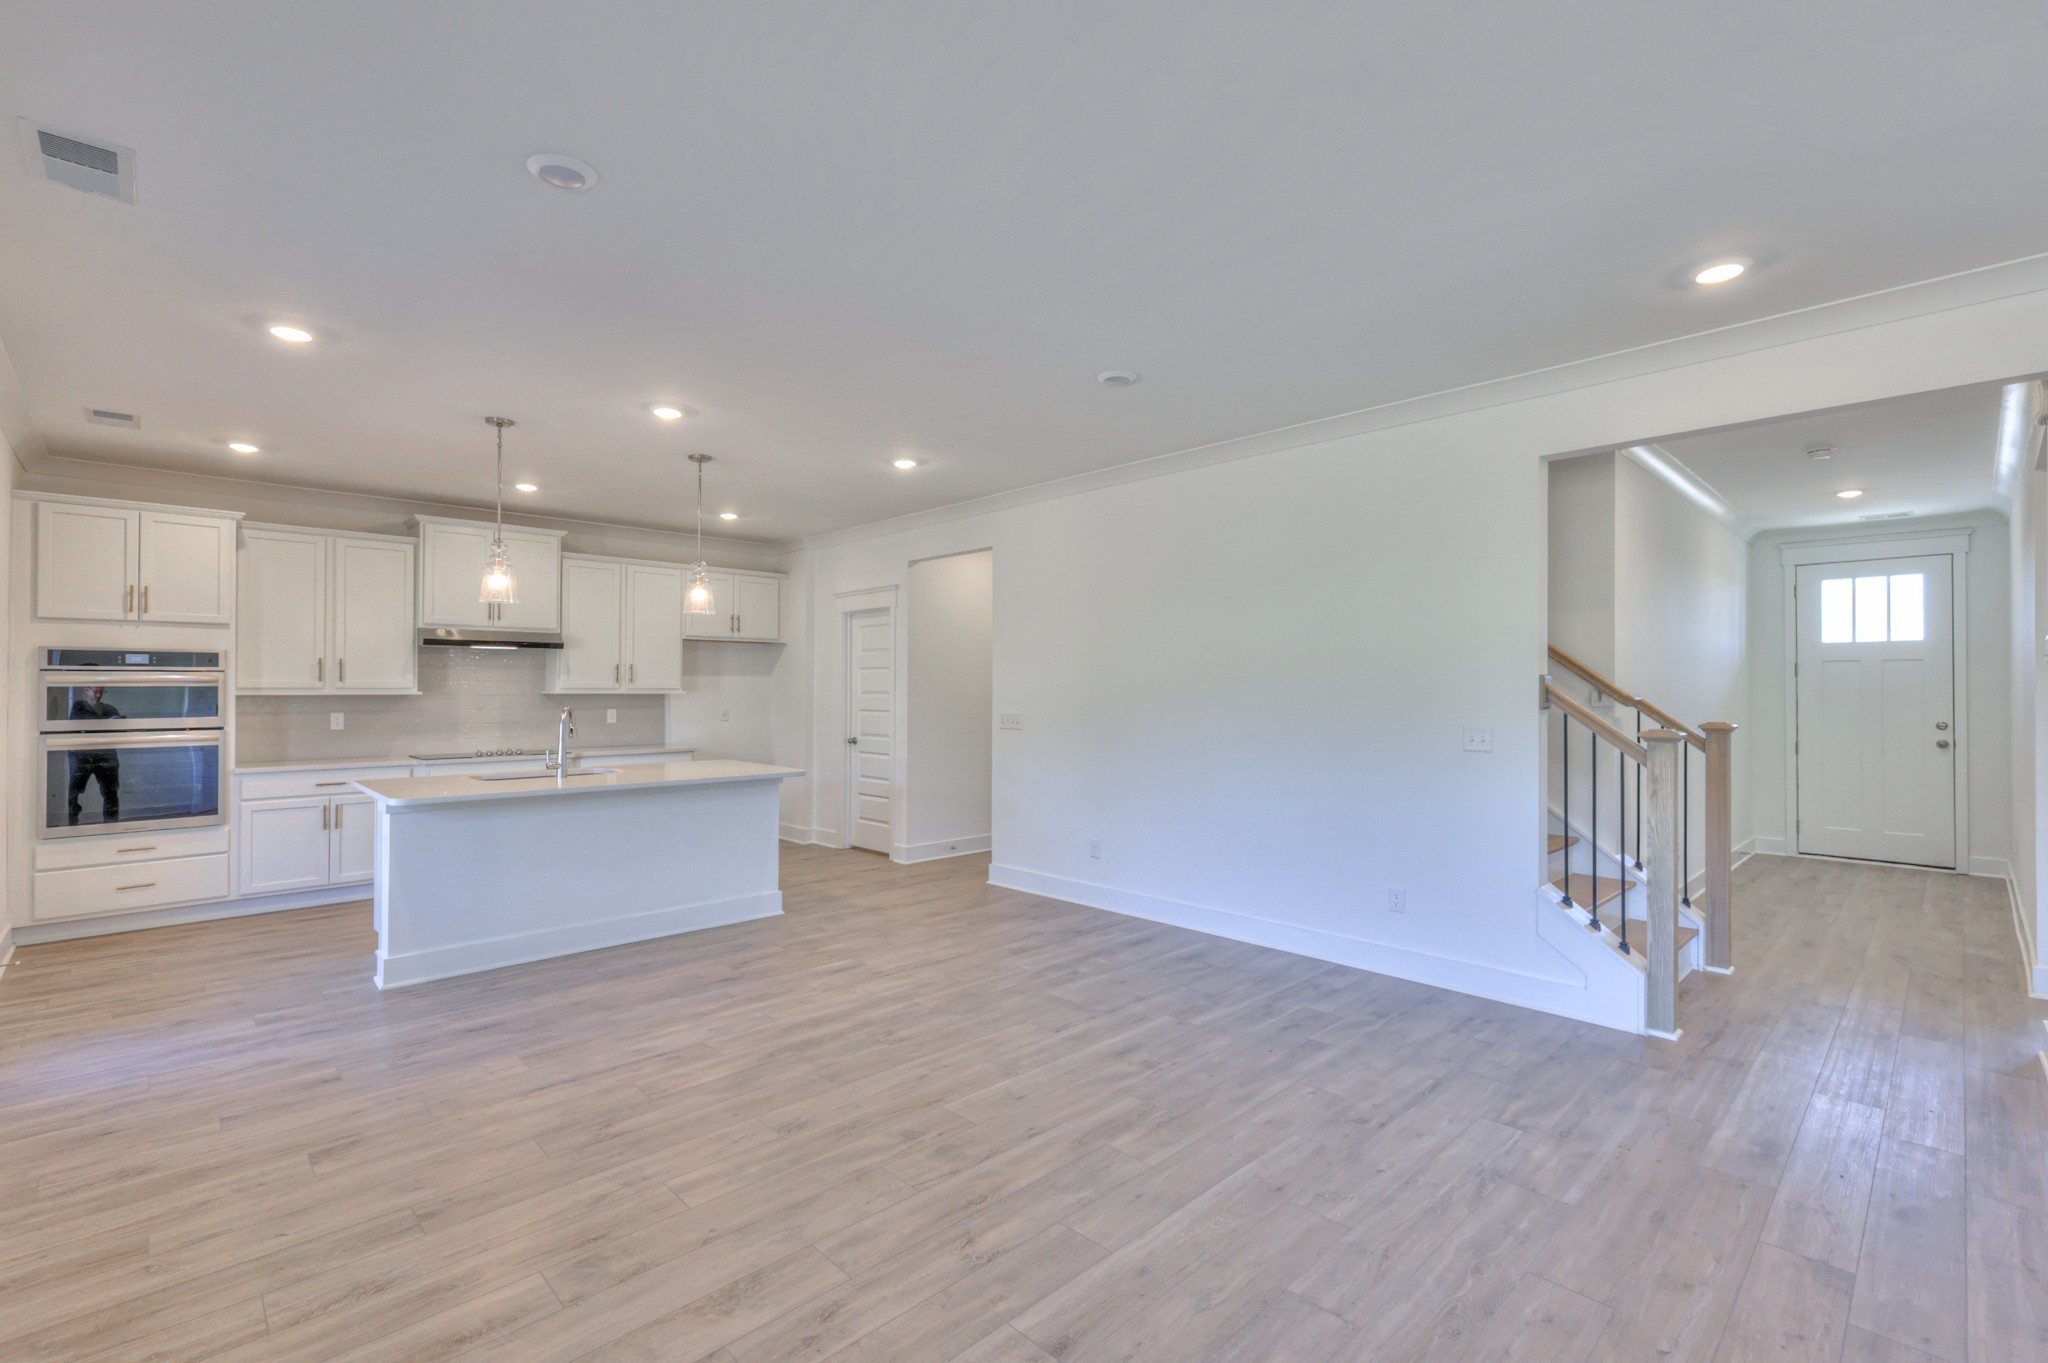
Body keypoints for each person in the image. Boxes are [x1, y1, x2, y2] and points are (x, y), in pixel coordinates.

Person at [66, 686, 122, 825]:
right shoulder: (78, 707)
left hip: (106, 755)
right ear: (86, 690)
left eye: (101, 692)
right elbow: (82, 725)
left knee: (111, 793)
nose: (98, 695)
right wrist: (108, 723)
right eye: (95, 692)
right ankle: (71, 826)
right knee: (74, 793)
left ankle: (111, 827)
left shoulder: (110, 709)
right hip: (82, 756)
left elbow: (118, 730)